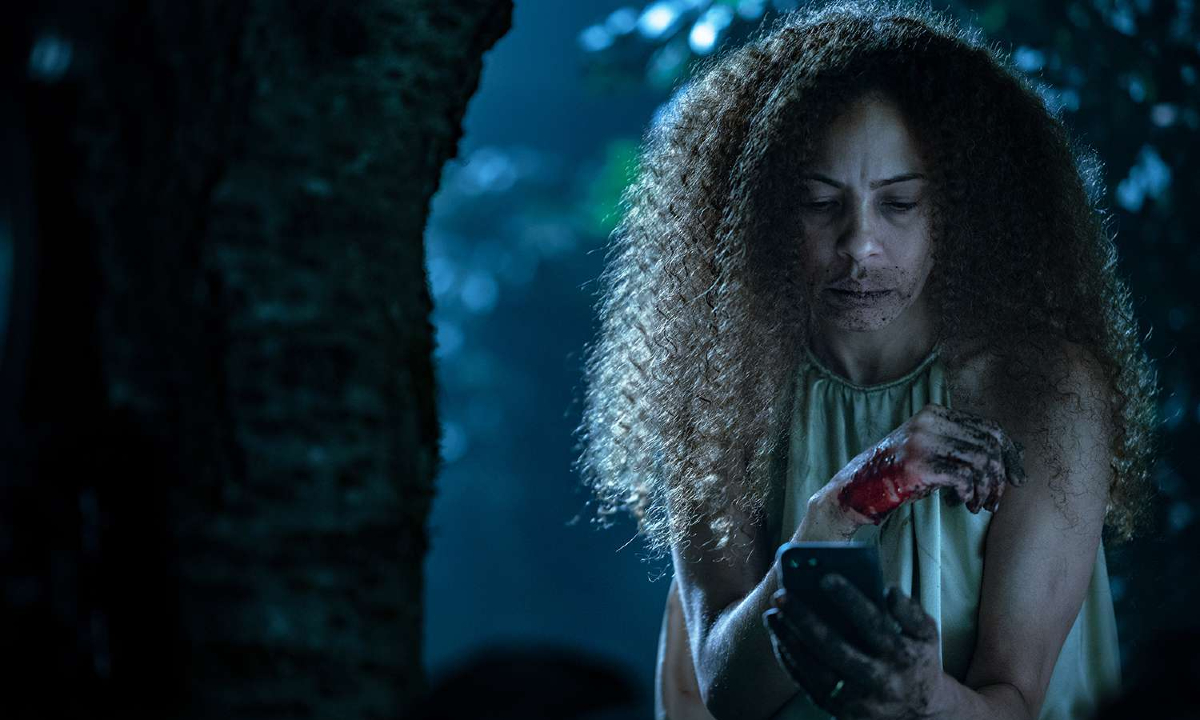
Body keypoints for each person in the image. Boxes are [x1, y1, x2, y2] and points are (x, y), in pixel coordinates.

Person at [571, 2, 1159, 719]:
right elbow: (728, 691)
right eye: (821, 203)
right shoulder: (721, 391)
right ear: (763, 212)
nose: (860, 245)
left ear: (962, 208)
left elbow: (1017, 698)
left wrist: (924, 699)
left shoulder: (1044, 389)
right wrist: (844, 506)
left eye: (900, 203)